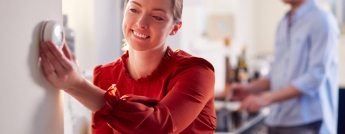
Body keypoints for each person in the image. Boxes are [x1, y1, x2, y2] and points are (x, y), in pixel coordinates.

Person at [39, 0, 216, 133]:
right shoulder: (105, 75)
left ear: (175, 27)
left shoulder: (197, 71)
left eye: (157, 17)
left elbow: (159, 127)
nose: (141, 23)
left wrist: (76, 85)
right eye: (134, 9)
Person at [229, 0, 339, 134]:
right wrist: (249, 89)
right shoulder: (283, 23)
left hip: (306, 123)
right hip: (277, 120)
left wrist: (266, 98)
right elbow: (277, 73)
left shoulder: (322, 20)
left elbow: (315, 76)